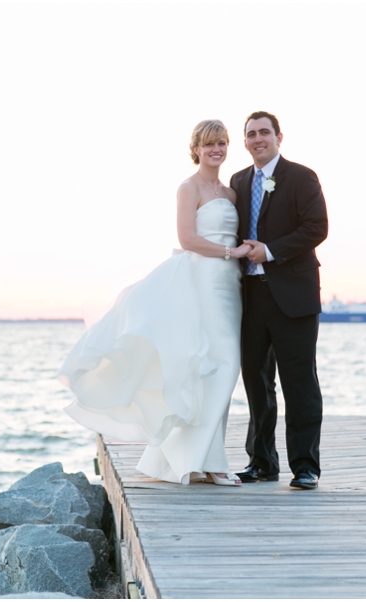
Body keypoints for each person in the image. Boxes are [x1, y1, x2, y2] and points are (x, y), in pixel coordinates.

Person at [59, 119, 252, 486]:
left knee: (218, 372)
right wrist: (232, 251)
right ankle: (209, 463)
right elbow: (188, 238)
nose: (217, 149)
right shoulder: (188, 187)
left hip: (231, 286)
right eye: (209, 143)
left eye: (222, 143)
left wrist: (239, 256)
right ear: (195, 148)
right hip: (203, 282)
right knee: (218, 367)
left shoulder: (230, 194)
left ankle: (191, 457)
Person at [230, 111, 328, 490]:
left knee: (299, 382)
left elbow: (316, 227)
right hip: (250, 297)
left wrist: (270, 251)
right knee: (256, 381)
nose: (258, 139)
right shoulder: (238, 180)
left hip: (293, 295)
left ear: (278, 137)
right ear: (246, 141)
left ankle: (305, 466)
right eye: (251, 134)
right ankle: (262, 461)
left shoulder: (301, 177)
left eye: (264, 132)